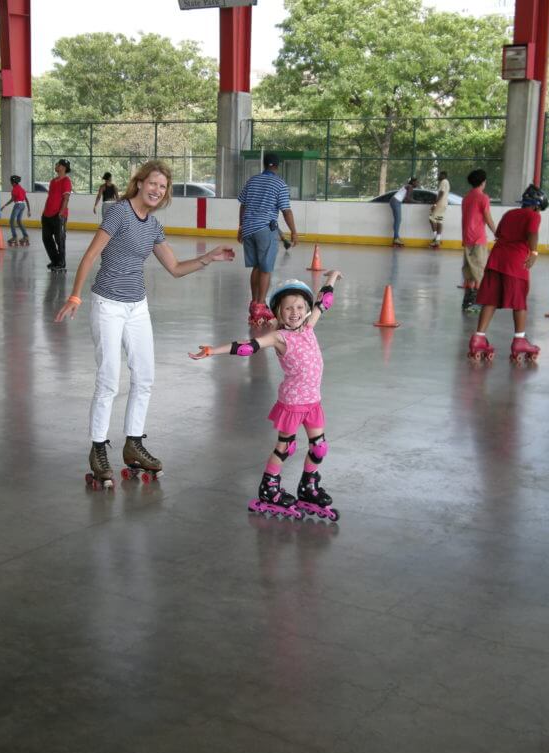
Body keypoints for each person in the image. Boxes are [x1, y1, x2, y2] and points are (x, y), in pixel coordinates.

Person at [55, 160, 235, 489]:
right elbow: (90, 256)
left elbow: (176, 268)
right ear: (139, 183)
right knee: (109, 379)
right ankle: (98, 450)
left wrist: (208, 257)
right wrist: (75, 296)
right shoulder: (119, 213)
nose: (157, 190)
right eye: (153, 183)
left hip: (137, 307)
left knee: (145, 377)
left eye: (163, 187)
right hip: (107, 304)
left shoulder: (152, 226)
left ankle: (133, 443)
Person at [188, 271, 343, 521]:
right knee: (286, 447)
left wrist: (333, 277)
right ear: (279, 313)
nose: (295, 312)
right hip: (293, 403)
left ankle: (308, 488)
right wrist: (212, 351)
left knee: (320, 447)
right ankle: (269, 489)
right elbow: (247, 346)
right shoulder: (279, 337)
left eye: (300, 307)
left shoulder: (309, 326)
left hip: (313, 401)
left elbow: (323, 301)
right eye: (288, 308)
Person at [467, 184, 548, 363]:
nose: (539, 213)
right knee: (519, 302)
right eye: (540, 209)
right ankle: (519, 340)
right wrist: (534, 253)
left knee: (491, 300)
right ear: (536, 205)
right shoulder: (533, 215)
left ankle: (478, 337)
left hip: (496, 260)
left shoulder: (509, 214)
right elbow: (532, 234)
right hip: (515, 262)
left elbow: (500, 235)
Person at [238, 152, 299, 326]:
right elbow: (286, 210)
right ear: (277, 166)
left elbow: (243, 205)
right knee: (266, 268)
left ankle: (254, 303)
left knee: (256, 266)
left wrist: (241, 227)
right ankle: (260, 304)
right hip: (265, 230)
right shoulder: (280, 184)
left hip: (249, 228)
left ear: (264, 164)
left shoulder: (252, 181)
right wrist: (294, 231)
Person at [460, 169, 496, 312]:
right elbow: (487, 217)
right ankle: (477, 301)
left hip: (467, 237)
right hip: (478, 238)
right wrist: (496, 232)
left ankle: (467, 300)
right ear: (483, 182)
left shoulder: (466, 198)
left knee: (469, 270)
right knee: (480, 269)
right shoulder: (483, 197)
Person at [42, 159, 72, 271]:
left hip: (59, 215)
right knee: (46, 239)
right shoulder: (53, 181)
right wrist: (44, 212)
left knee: (60, 239)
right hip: (47, 214)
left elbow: (66, 198)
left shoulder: (66, 181)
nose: (56, 165)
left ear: (63, 168)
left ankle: (61, 263)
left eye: (58, 164)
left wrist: (61, 213)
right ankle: (54, 260)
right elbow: (50, 197)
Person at [0, 174, 32, 246]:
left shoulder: (14, 190)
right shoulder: (21, 189)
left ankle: (14, 237)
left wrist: (5, 205)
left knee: (11, 221)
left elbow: (12, 199)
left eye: (11, 182)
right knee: (19, 221)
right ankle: (26, 236)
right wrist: (29, 210)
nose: (10, 183)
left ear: (13, 182)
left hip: (17, 205)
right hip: (23, 205)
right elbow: (26, 199)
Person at [388, 177, 417, 247]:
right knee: (398, 220)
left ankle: (396, 238)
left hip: (394, 201)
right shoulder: (410, 187)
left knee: (397, 220)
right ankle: (396, 238)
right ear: (413, 182)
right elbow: (408, 199)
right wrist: (418, 202)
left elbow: (406, 199)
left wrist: (412, 200)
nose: (417, 184)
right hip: (396, 201)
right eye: (417, 182)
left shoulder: (407, 186)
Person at [429, 170, 450, 248]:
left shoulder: (443, 181)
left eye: (439, 175)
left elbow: (441, 193)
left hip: (440, 203)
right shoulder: (446, 182)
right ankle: (438, 239)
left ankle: (436, 239)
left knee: (431, 219)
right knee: (439, 220)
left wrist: (435, 204)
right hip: (444, 204)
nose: (438, 176)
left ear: (443, 175)